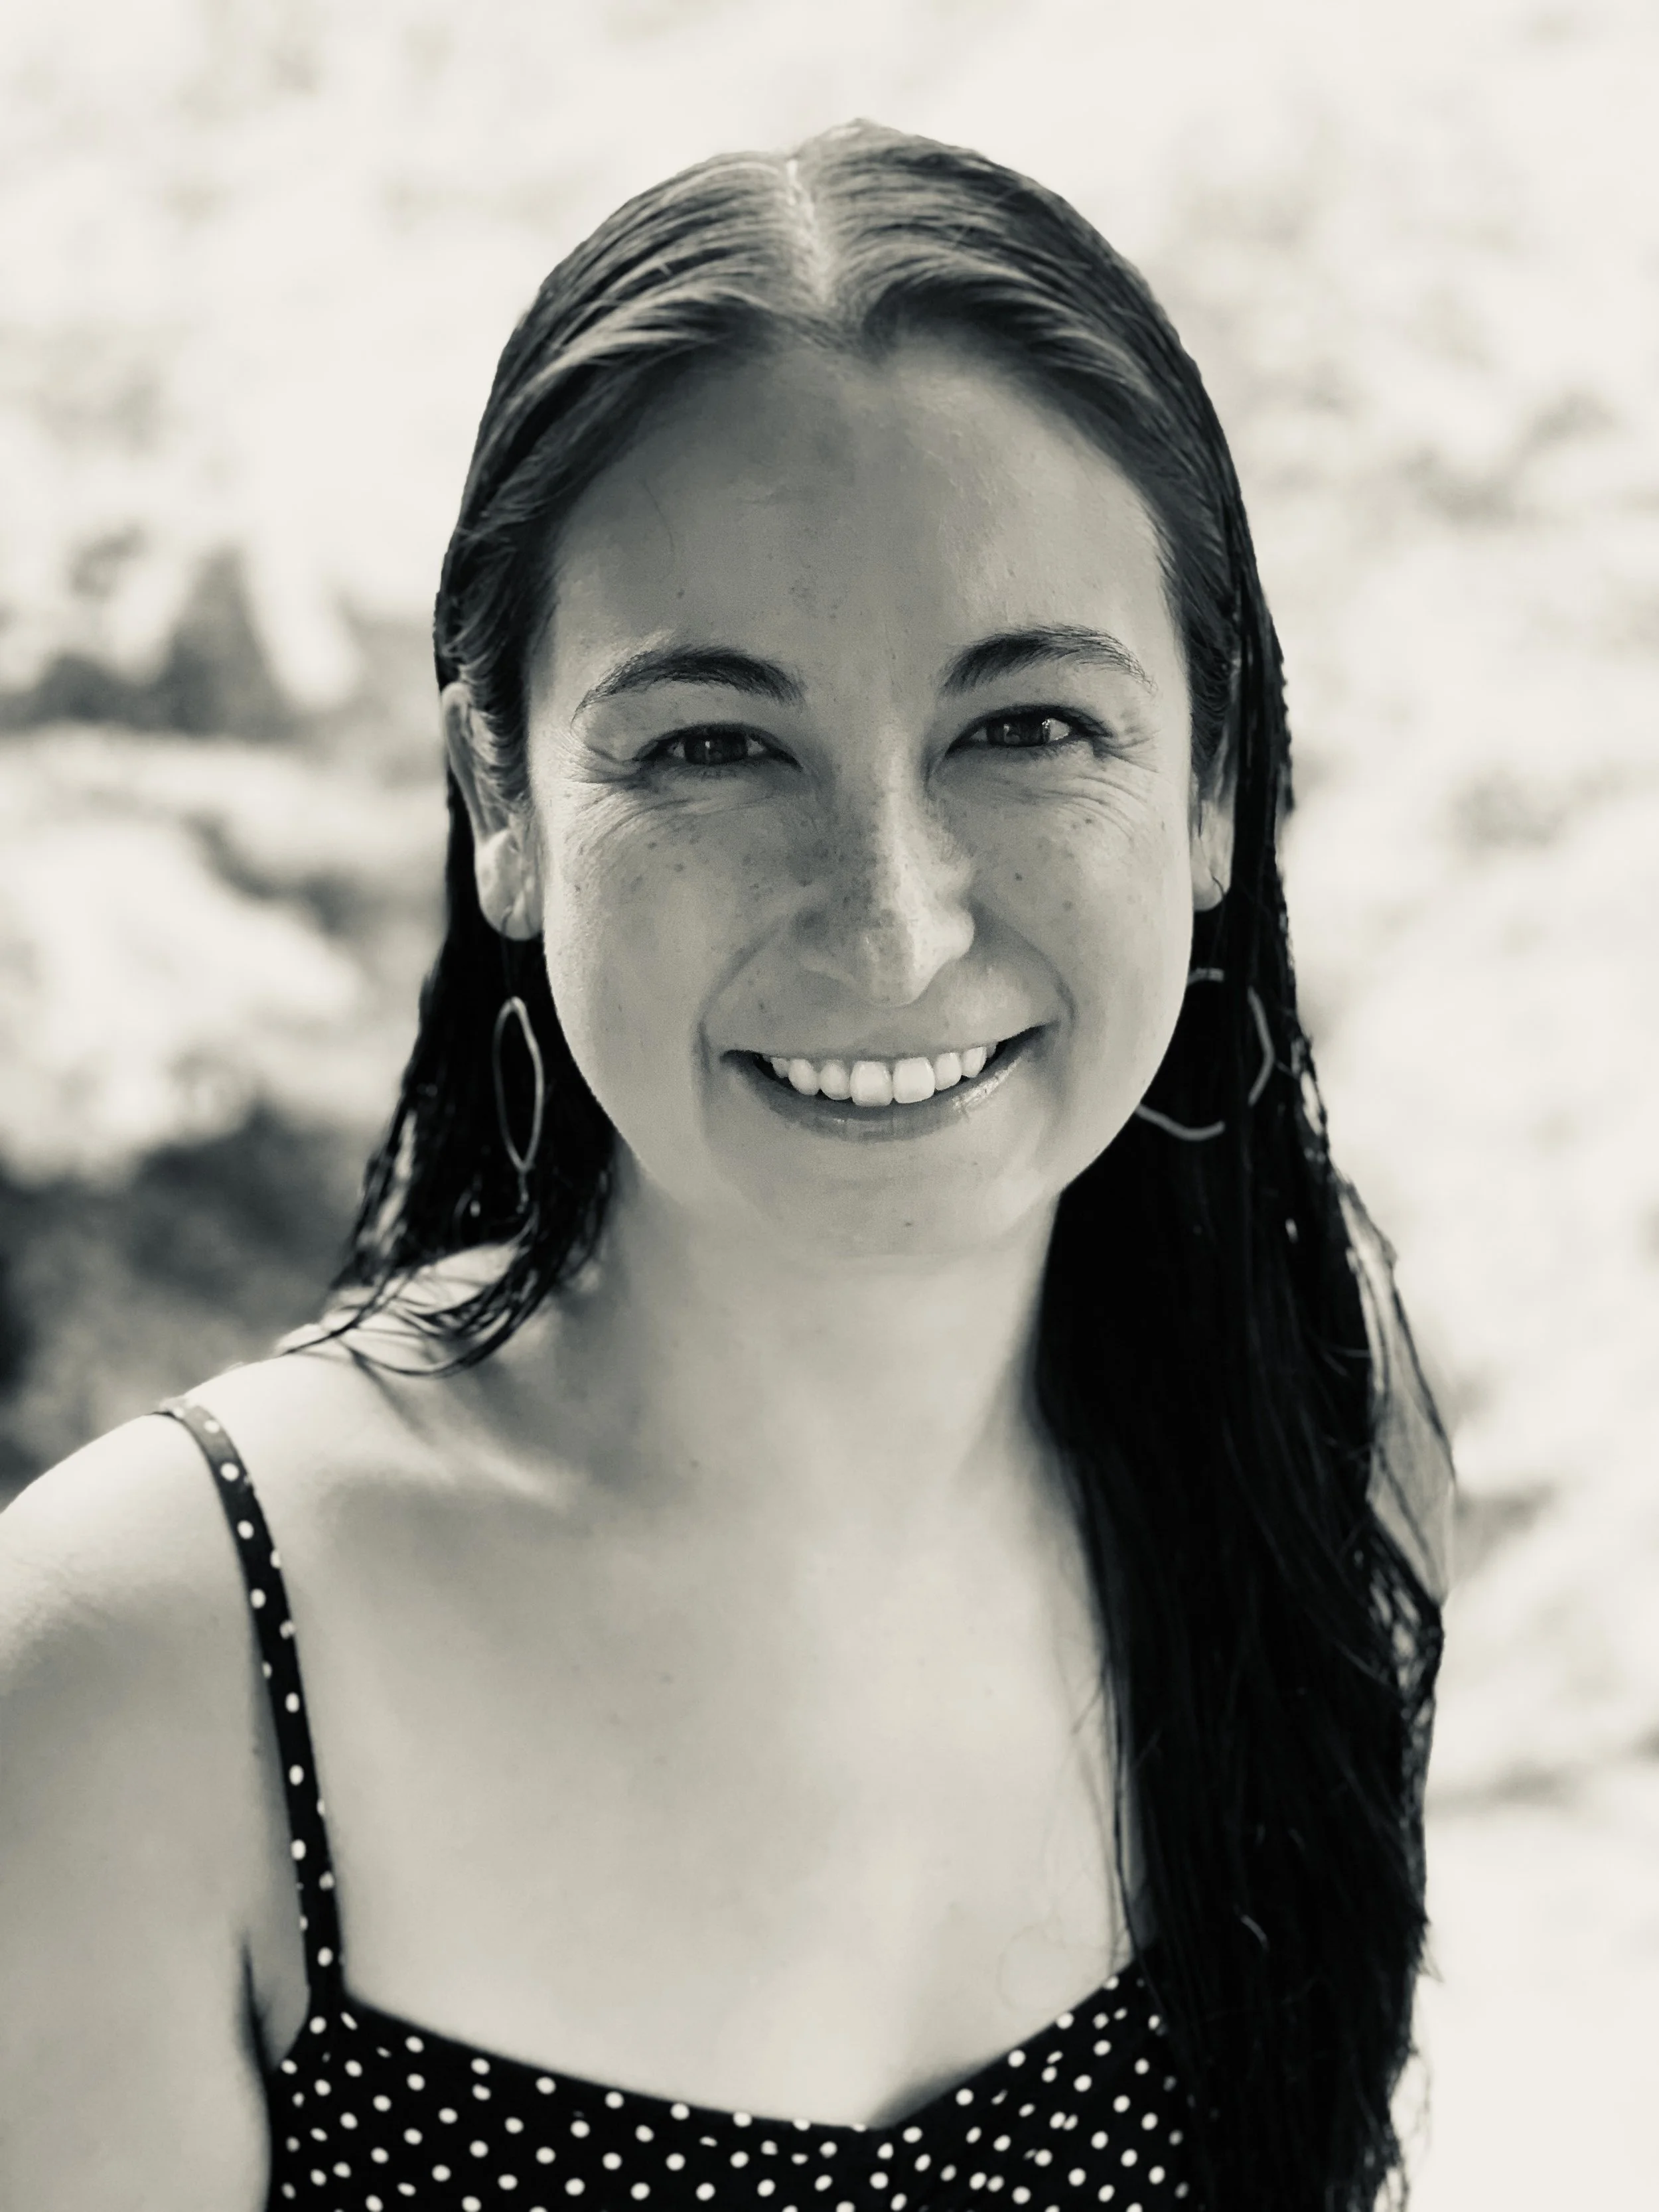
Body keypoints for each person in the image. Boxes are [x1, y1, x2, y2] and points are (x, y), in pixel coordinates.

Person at [0, 124, 1451, 2212]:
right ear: (502, 803)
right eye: (710, 745)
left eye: (1025, 726)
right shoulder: (141, 1659)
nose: (893, 921)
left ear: (1212, 777)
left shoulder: (1292, 1453)